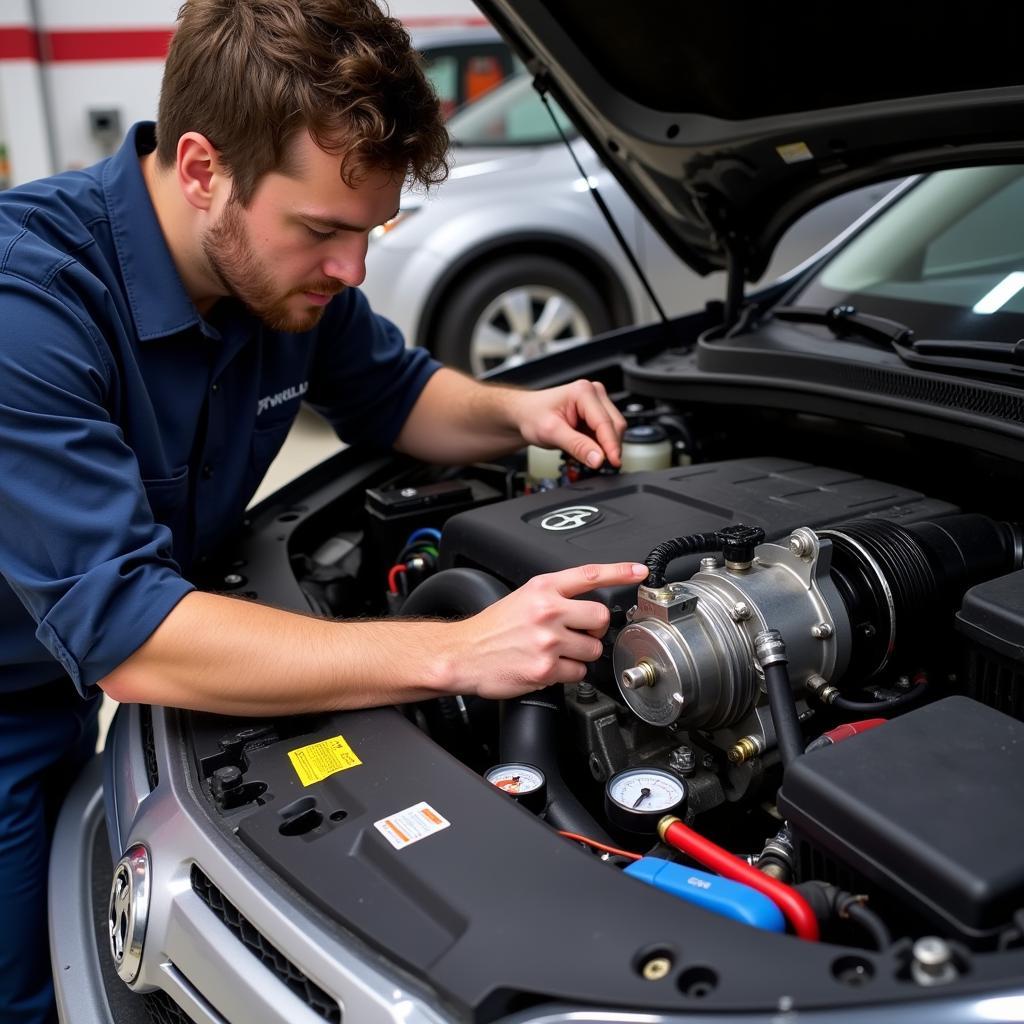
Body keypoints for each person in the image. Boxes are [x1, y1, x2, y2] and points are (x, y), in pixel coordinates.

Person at [0, 1, 646, 1021]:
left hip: (65, 677)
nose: (351, 271)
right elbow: (130, 634)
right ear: (204, 169)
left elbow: (397, 398)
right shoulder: (28, 309)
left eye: (370, 230)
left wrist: (519, 411)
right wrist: (453, 651)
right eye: (323, 232)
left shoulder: (281, 281)